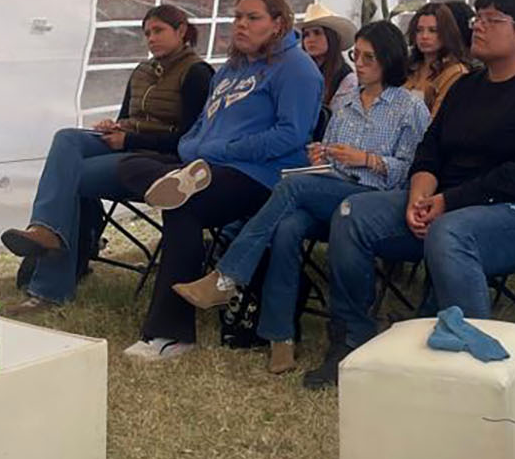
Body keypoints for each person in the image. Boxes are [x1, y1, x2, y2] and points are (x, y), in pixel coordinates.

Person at [305, 0, 515, 389]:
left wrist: (447, 202)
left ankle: (475, 367)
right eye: (477, 19)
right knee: (353, 213)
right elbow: (429, 150)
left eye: (492, 20)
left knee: (452, 232)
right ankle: (352, 338)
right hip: (444, 205)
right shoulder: (467, 88)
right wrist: (419, 193)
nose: (479, 27)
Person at [171, 21, 429, 374]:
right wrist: (321, 156)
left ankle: (227, 277)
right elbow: (331, 154)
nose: (361, 63)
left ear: (390, 59)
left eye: (370, 57)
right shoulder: (347, 105)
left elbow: (414, 170)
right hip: (332, 188)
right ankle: (280, 336)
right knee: (288, 226)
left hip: (377, 199)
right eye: (357, 55)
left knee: (292, 189)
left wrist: (367, 159)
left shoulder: (409, 107)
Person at [119, 0, 323, 362]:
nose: (241, 25)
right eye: (238, 17)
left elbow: (291, 135)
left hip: (261, 177)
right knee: (128, 166)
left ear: (278, 24)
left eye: (253, 17)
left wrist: (220, 152)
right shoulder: (230, 69)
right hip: (206, 166)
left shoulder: (298, 69)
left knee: (184, 206)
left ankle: (169, 333)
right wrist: (190, 149)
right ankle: (181, 180)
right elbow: (200, 124)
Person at [1, 4, 214, 310]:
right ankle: (46, 232)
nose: (151, 39)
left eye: (158, 31)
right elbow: (127, 117)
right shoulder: (142, 71)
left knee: (70, 177)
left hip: (159, 160)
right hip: (128, 145)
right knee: (67, 138)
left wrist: (130, 138)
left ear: (181, 31)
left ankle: (49, 289)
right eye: (147, 33)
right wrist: (115, 127)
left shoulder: (197, 74)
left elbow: (189, 141)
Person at [403, 2, 471, 118]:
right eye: (419, 30)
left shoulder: (455, 72)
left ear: (446, 33)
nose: (424, 36)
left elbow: (438, 118)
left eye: (433, 30)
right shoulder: (411, 67)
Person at [299, 3, 358, 115]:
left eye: (317, 33)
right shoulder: (300, 72)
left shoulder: (347, 78)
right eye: (306, 34)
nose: (310, 39)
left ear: (331, 38)